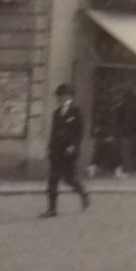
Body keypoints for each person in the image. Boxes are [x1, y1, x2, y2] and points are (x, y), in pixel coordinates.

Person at [41, 83, 89, 218]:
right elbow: (53, 132)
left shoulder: (76, 112)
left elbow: (79, 132)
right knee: (53, 179)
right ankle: (52, 209)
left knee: (69, 179)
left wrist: (73, 145)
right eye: (58, 96)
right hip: (56, 151)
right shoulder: (56, 113)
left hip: (69, 152)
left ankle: (83, 193)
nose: (58, 98)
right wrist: (49, 148)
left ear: (67, 96)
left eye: (60, 96)